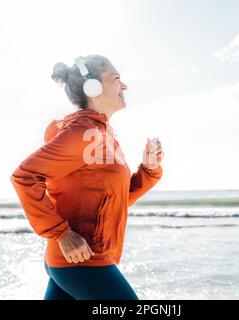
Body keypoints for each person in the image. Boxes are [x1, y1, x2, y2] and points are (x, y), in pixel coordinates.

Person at [10, 54, 164, 300]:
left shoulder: (104, 135)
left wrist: (149, 169)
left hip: (76, 261)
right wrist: (61, 234)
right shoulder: (83, 132)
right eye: (116, 78)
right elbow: (24, 176)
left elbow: (115, 199)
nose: (124, 86)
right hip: (82, 261)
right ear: (94, 87)